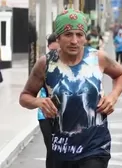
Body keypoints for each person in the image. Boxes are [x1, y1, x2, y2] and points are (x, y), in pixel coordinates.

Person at [19, 9, 122, 168]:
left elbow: (121, 74)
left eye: (79, 35)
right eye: (68, 34)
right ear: (58, 37)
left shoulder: (97, 58)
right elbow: (25, 97)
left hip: (95, 146)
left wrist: (113, 96)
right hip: (61, 148)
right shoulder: (46, 64)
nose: (74, 41)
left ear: (85, 37)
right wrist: (39, 102)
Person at [38, 32, 60, 168]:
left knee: (62, 150)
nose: (53, 54)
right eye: (51, 50)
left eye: (55, 50)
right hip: (44, 114)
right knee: (51, 149)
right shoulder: (43, 63)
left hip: (64, 115)